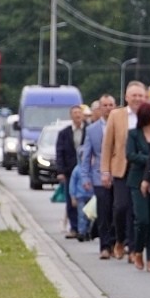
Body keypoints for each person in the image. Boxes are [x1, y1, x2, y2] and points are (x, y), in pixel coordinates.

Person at [102, 81, 147, 260]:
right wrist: (105, 171)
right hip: (121, 168)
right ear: (127, 97)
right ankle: (120, 239)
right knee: (121, 207)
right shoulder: (116, 115)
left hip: (141, 169)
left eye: (140, 96)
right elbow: (108, 145)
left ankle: (133, 247)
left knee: (137, 211)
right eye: (133, 95)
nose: (137, 99)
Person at [127, 101, 150, 272]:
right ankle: (138, 250)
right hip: (137, 179)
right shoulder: (134, 134)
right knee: (142, 219)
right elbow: (130, 155)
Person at [80, 94, 117, 259]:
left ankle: (117, 241)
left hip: (118, 174)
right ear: (100, 108)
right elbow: (86, 155)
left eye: (111, 105)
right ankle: (105, 246)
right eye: (105, 105)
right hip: (98, 176)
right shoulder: (92, 129)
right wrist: (85, 177)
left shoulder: (121, 126)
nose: (108, 108)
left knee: (118, 210)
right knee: (103, 211)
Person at [54, 103, 87, 238]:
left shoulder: (89, 130)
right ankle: (74, 227)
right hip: (69, 170)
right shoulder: (64, 133)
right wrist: (61, 171)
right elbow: (60, 152)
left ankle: (85, 228)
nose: (77, 116)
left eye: (79, 113)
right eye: (75, 113)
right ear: (71, 116)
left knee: (87, 199)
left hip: (86, 170)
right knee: (71, 199)